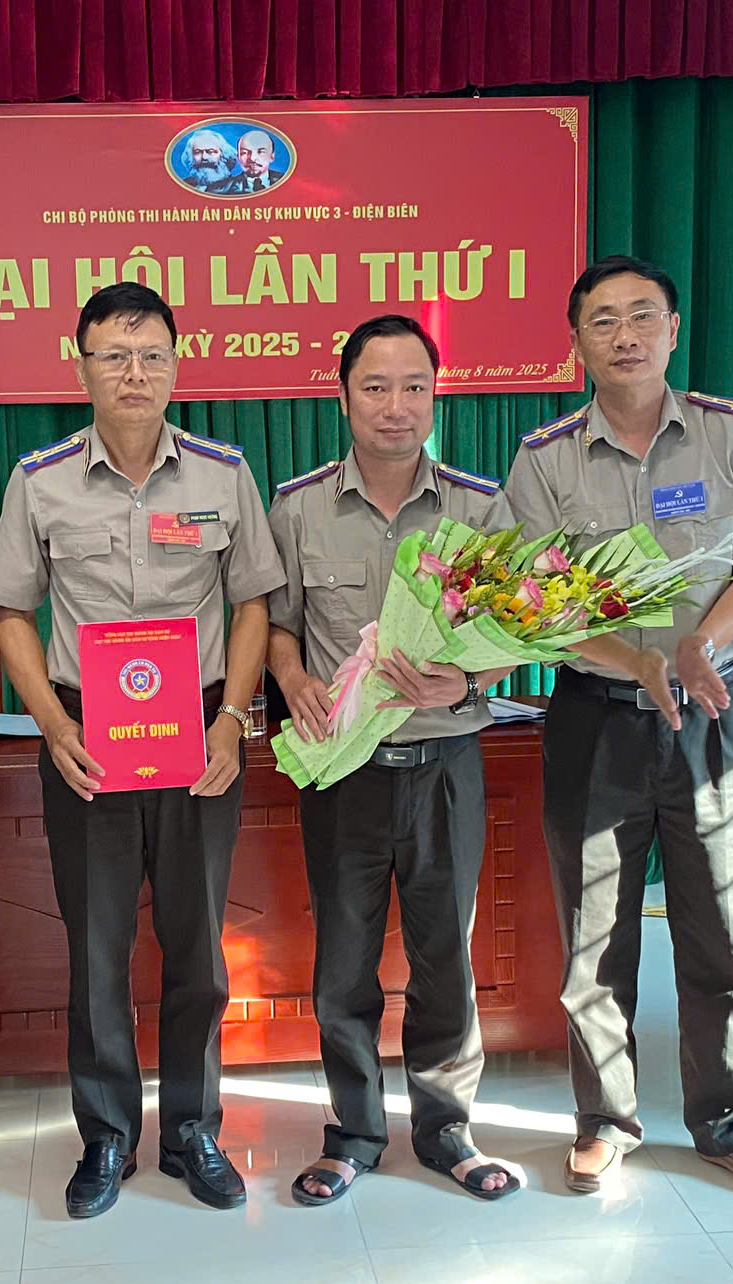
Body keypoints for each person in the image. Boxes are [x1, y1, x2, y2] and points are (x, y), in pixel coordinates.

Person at [504, 256, 733, 1201]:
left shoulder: (731, 435)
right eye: (603, 320)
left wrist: (695, 647)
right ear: (575, 343)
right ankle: (605, 1122)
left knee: (723, 927)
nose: (625, 335)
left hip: (714, 712)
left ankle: (729, 1122)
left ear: (673, 330)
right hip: (597, 721)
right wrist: (635, 660)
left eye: (643, 315)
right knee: (594, 936)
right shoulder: (545, 459)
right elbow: (533, 608)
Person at [0, 281, 286, 1219]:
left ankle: (194, 1129)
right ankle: (107, 1135)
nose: (134, 373)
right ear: (79, 366)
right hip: (86, 737)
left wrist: (234, 720)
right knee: (98, 946)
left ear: (176, 366)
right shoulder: (39, 480)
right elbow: (10, 611)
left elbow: (252, 603)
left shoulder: (221, 474)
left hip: (199, 733)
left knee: (197, 945)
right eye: (113, 355)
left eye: (152, 355)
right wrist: (53, 724)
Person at [266, 315, 521, 1207]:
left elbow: (521, 631)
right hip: (345, 771)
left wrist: (469, 679)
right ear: (343, 397)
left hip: (445, 764)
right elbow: (276, 624)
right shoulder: (298, 508)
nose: (396, 405)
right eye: (375, 387)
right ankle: (354, 1133)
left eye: (415, 386)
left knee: (444, 953)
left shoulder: (479, 508)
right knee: (345, 958)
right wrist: (291, 675)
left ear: (435, 396)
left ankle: (447, 1129)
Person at [206, 130, 284, 195]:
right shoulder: (217, 190)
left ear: (272, 156)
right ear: (238, 157)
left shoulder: (286, 182)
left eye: (261, 152)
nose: (252, 158)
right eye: (245, 153)